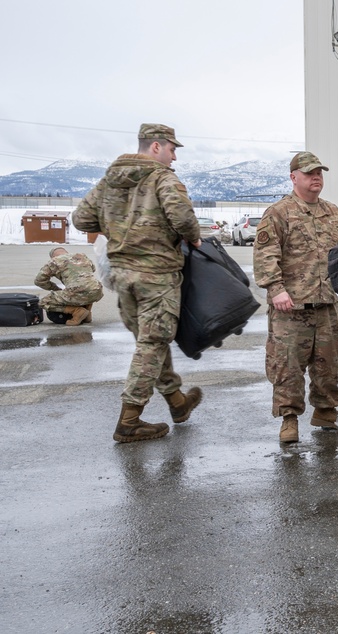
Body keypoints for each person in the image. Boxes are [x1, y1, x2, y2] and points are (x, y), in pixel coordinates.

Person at [72, 123, 204, 443]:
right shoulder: (162, 178)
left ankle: (177, 402)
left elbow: (81, 219)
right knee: (152, 343)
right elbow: (183, 218)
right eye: (172, 149)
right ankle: (129, 420)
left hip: (123, 276)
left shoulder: (110, 179)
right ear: (155, 147)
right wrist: (193, 238)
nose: (174, 157)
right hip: (157, 276)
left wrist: (117, 226)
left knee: (150, 341)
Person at [253, 151, 338, 444]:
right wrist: (275, 288)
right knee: (287, 366)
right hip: (290, 307)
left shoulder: (333, 213)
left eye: (319, 172)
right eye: (309, 173)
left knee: (329, 363)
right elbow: (265, 254)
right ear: (294, 178)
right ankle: (289, 420)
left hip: (327, 302)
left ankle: (325, 411)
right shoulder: (279, 213)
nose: (316, 177)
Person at [34, 247, 104, 325]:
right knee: (86, 287)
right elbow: (93, 269)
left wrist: (56, 288)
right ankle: (87, 315)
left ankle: (77, 311)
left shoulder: (54, 261)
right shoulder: (82, 256)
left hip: (79, 292)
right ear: (66, 252)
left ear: (53, 257)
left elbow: (39, 281)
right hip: (97, 291)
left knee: (44, 302)